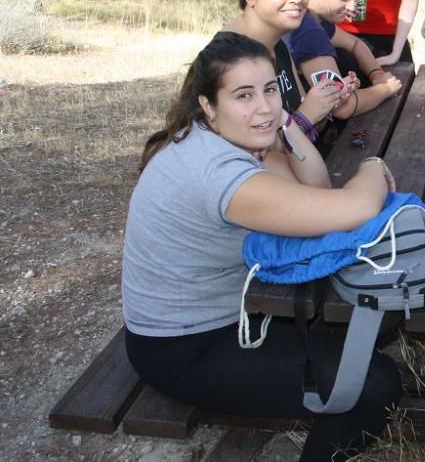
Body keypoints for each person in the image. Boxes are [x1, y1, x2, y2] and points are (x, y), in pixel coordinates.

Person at [122, 32, 401, 462]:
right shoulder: (219, 173)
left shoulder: (221, 138)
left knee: (373, 316)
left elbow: (315, 187)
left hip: (224, 316)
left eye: (271, 90)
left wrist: (283, 125)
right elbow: (355, 207)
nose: (264, 106)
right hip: (185, 347)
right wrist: (374, 165)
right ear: (208, 105)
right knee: (375, 382)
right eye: (244, 95)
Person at [223, 0, 355, 146]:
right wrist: (307, 115)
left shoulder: (278, 43)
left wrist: (326, 102)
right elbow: (257, 156)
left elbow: (306, 129)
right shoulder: (231, 60)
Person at [284, 0, 403, 116]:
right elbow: (340, 108)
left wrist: (376, 74)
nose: (353, 7)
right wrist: (386, 89)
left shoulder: (315, 17)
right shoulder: (307, 29)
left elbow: (355, 43)